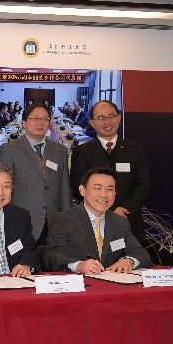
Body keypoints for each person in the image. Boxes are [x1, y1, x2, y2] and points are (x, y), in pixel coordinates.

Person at [69, 100, 150, 246]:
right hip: (95, 221)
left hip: (129, 220)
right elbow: (77, 187)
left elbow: (143, 185)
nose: (107, 121)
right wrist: (110, 210)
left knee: (133, 263)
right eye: (100, 118)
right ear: (92, 123)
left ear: (119, 118)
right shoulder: (82, 152)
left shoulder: (135, 150)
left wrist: (125, 209)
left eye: (111, 116)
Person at [44, 167, 151, 274]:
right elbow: (51, 255)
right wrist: (78, 265)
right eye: (97, 188)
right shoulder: (64, 219)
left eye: (109, 189)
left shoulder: (119, 222)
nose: (104, 195)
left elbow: (141, 254)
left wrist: (128, 261)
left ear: (115, 193)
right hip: (79, 285)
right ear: (82, 190)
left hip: (113, 285)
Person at [0, 104, 71, 245]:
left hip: (54, 223)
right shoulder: (9, 150)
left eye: (44, 119)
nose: (40, 122)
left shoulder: (60, 150)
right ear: (24, 122)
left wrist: (67, 220)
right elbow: (2, 191)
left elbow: (64, 188)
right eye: (35, 118)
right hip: (22, 222)